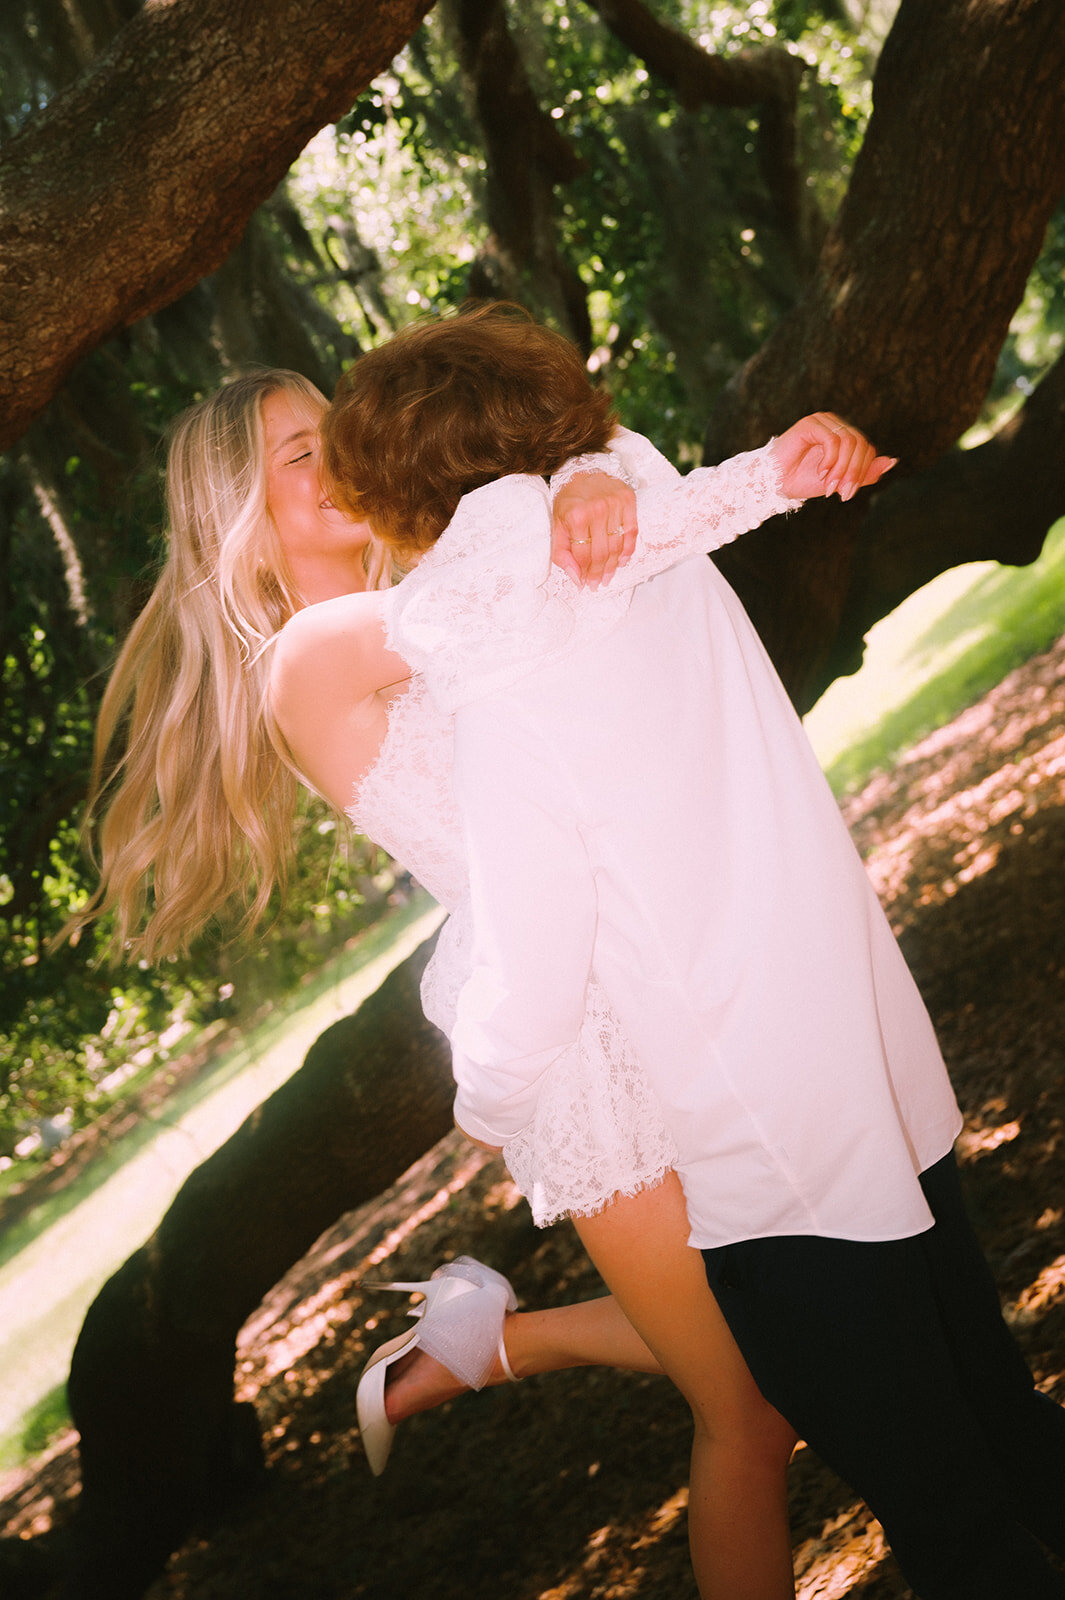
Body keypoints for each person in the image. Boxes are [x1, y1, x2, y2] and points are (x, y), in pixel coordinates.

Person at [312, 303, 1065, 1600]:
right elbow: (666, 481)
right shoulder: (654, 543)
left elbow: (536, 969)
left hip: (771, 1157)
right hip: (877, 1065)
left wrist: (487, 1095)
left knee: (953, 1519)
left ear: (408, 504)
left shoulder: (504, 685)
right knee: (1003, 1421)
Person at [76, 363, 814, 1600]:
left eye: (335, 427)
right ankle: (492, 1346)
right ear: (242, 522)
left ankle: (486, 1343)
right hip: (570, 1038)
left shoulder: (431, 577)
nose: (341, 453)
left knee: (785, 1306)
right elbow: (539, 579)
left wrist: (580, 482)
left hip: (650, 960)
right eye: (300, 455)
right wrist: (596, 482)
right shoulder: (312, 656)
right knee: (749, 1408)